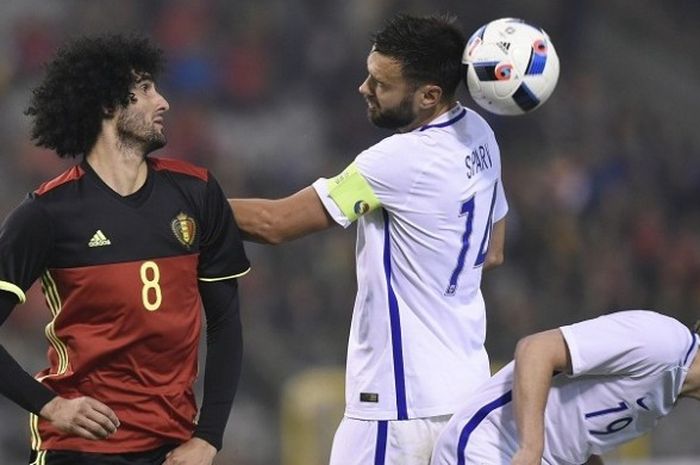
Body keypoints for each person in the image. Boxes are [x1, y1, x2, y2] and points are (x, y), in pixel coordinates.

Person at [229, 14, 508, 465]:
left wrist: (185, 203)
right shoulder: (480, 136)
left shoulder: (397, 161)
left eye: (381, 83)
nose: (364, 88)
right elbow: (492, 251)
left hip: (398, 408)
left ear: (428, 95)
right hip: (466, 393)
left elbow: (276, 224)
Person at [0, 34, 249, 465]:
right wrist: (51, 405)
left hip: (174, 449)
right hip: (81, 450)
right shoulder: (47, 213)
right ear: (107, 104)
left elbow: (225, 323)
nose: (164, 102)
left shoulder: (198, 193)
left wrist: (208, 438)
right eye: (147, 88)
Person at [430, 309, 700, 465]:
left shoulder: (671, 389)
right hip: (488, 449)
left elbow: (574, 433)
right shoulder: (664, 342)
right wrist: (531, 450)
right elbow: (536, 349)